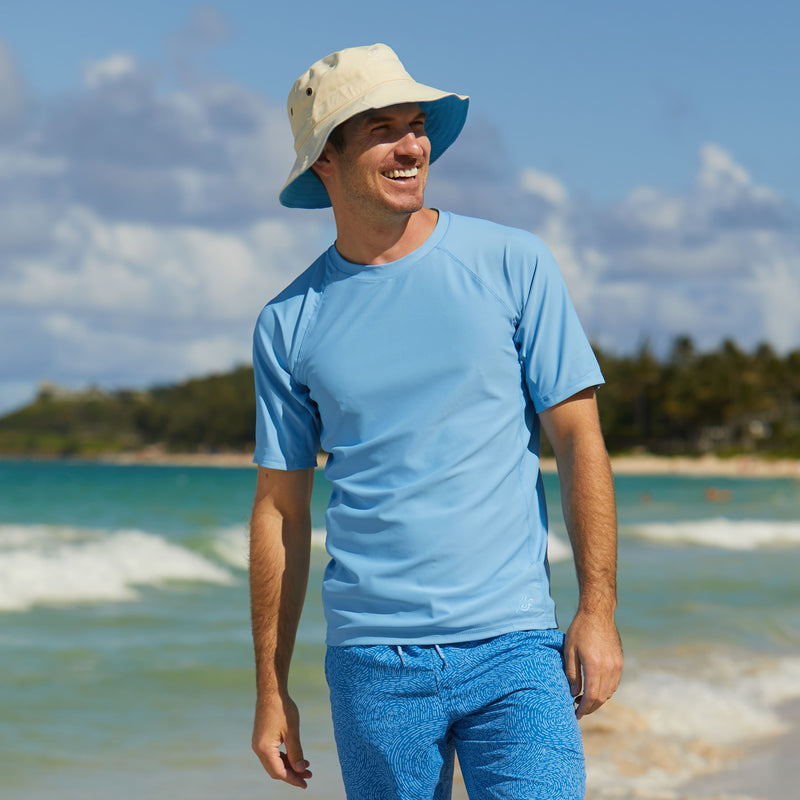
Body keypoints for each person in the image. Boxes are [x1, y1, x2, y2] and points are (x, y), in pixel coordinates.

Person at [249, 43, 623, 799]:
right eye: (383, 129)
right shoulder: (288, 322)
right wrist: (269, 687)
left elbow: (579, 439)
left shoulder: (514, 262)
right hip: (372, 663)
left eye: (416, 125)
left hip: (515, 647)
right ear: (327, 160)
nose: (412, 145)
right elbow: (280, 510)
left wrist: (597, 609)